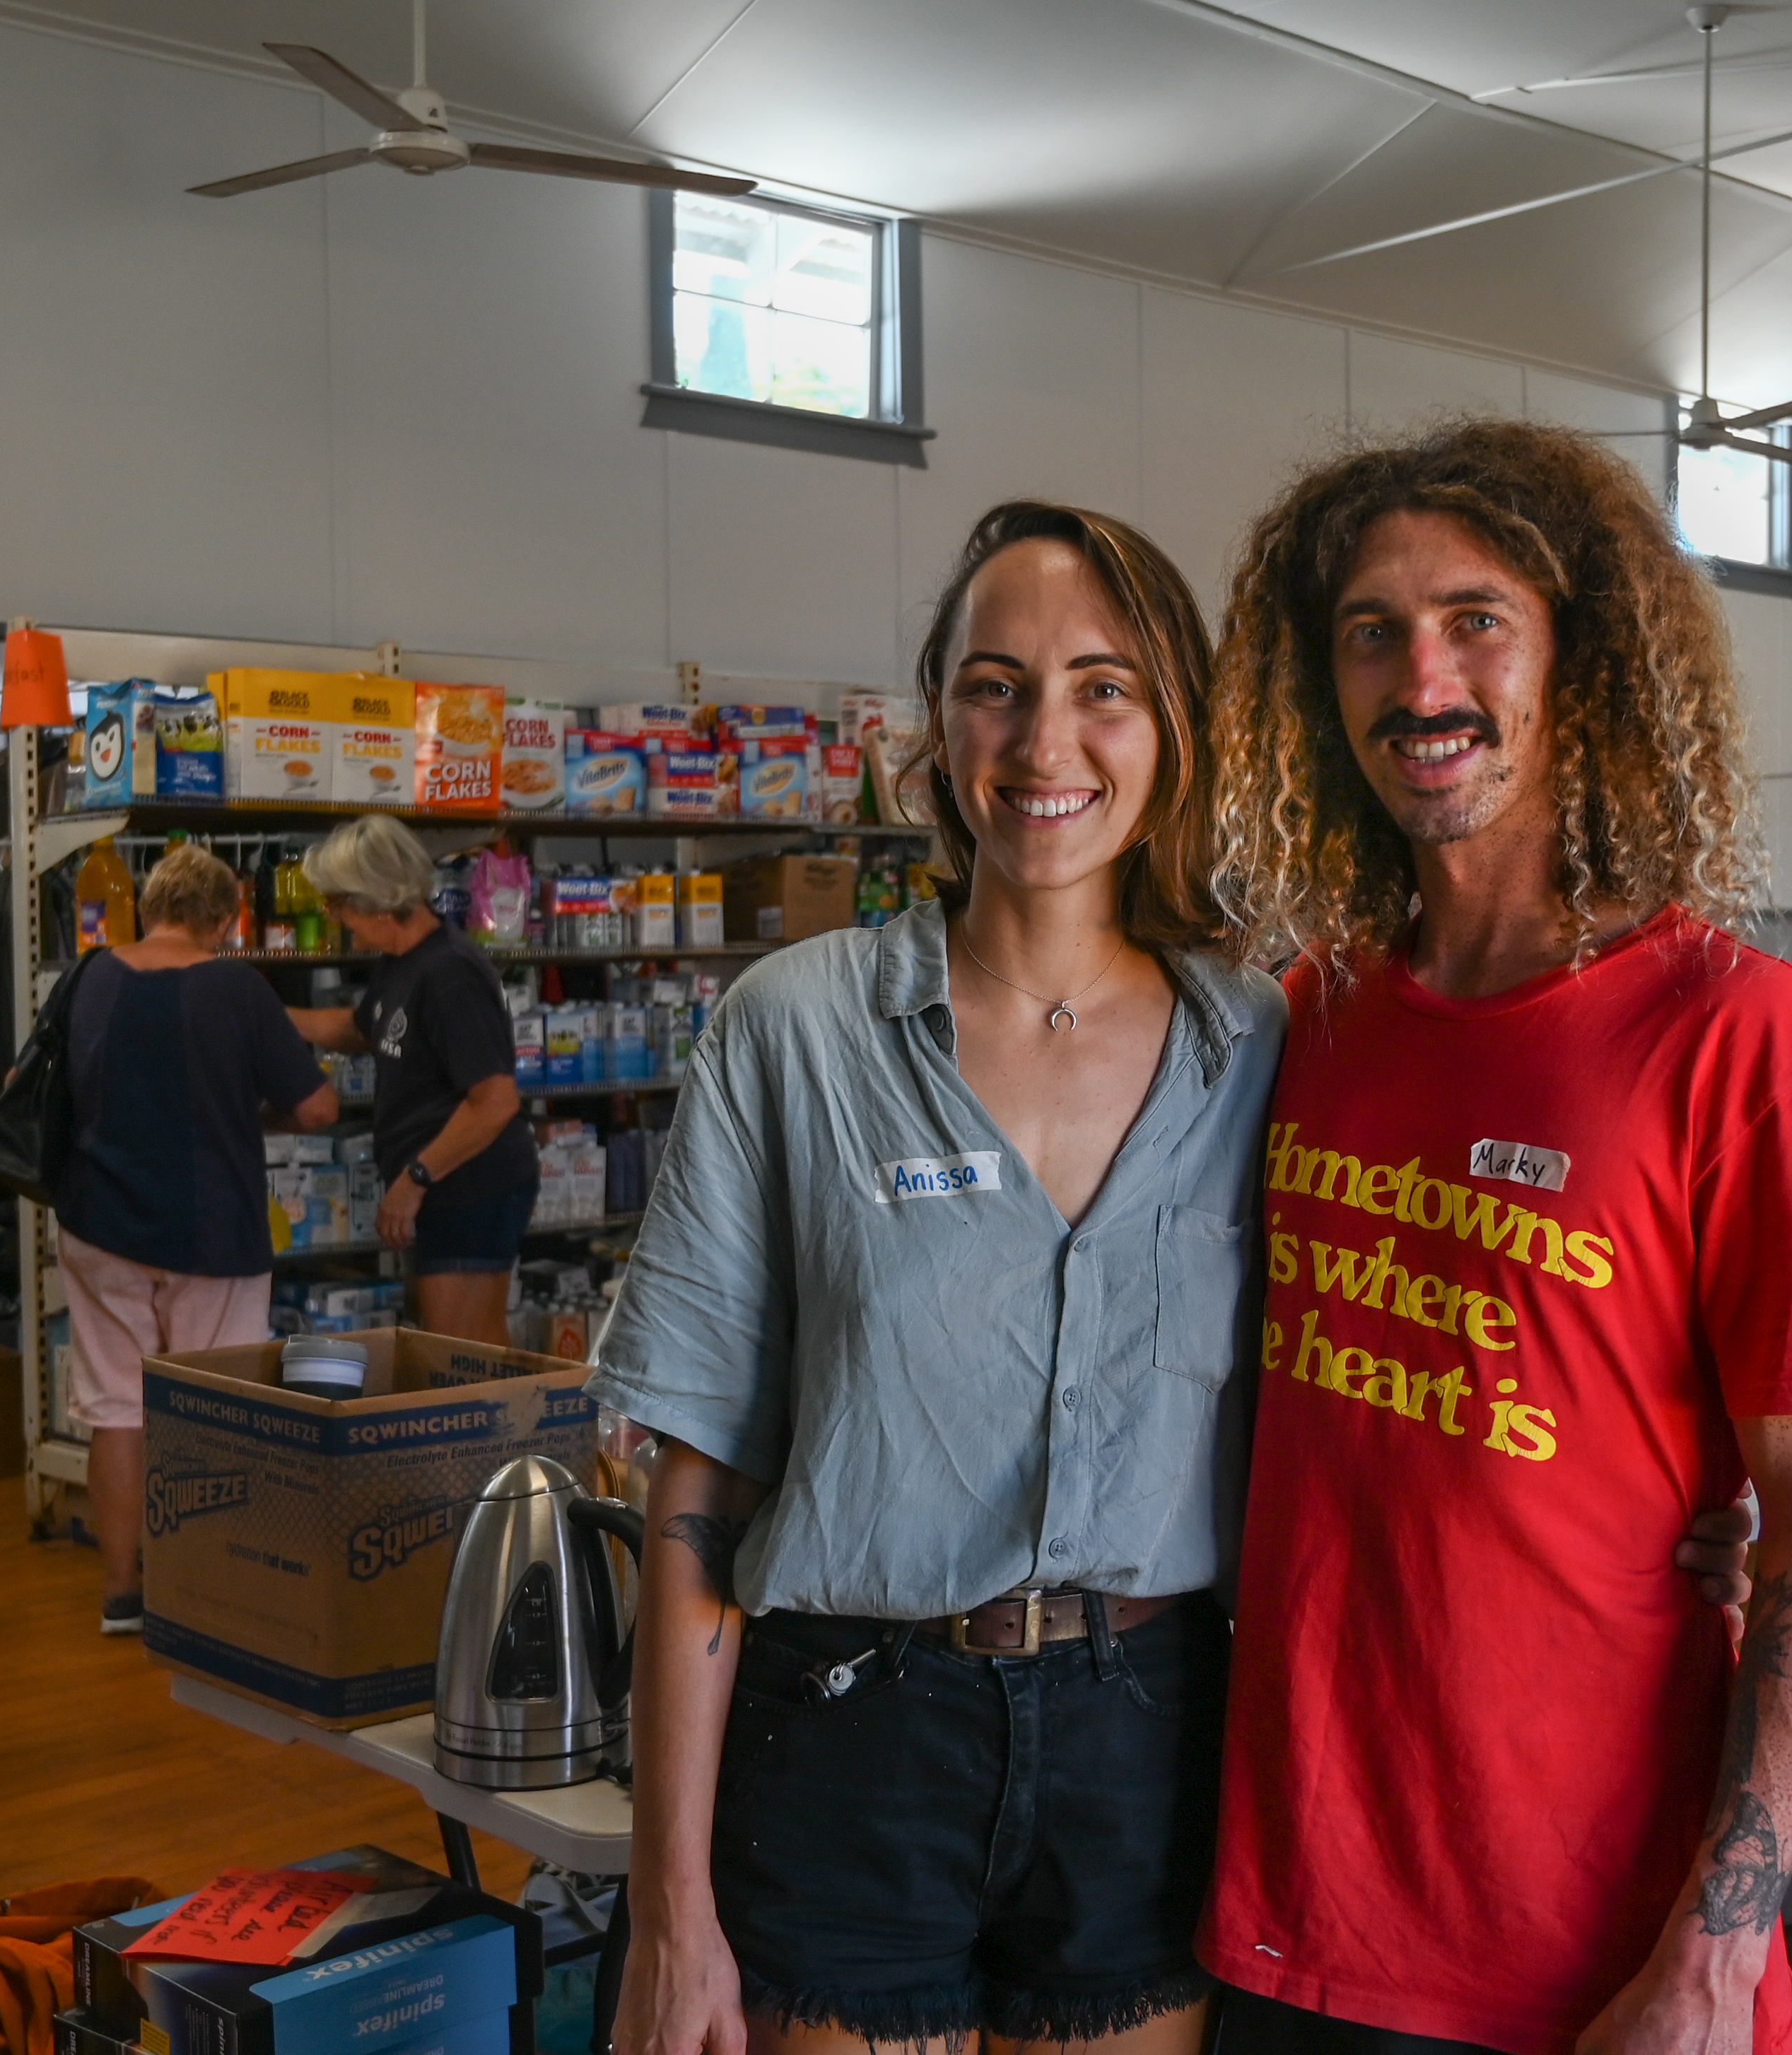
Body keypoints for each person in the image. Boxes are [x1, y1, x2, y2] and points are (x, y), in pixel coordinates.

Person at [1198, 419, 1792, 2055]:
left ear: (1577, 664)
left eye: (1475, 619)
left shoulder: (1736, 1033)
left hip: (1589, 1964)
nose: (1420, 676)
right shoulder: (1305, 1018)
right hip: (1283, 1921)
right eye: (1368, 632)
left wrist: (1713, 1959)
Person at [592, 502, 1278, 2054]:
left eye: (1104, 684)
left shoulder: (1261, 1051)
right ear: (935, 729)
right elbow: (701, 1484)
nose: (1047, 736)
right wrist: (667, 1910)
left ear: (1173, 724)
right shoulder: (796, 1031)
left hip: (1148, 1734)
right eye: (995, 682)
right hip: (850, 1731)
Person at [51, 841, 335, 1637]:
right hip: (211, 1228)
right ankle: (205, 1591)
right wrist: (248, 1109)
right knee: (212, 1409)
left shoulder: (87, 976)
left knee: (116, 1409)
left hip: (97, 1222)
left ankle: (120, 1595)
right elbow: (315, 1110)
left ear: (146, 907)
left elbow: (25, 1088)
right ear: (223, 918)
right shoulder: (236, 989)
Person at [286, 815, 533, 1345]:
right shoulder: (402, 961)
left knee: (463, 1355)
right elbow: (359, 1030)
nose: (337, 919)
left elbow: (494, 1101)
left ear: (375, 897)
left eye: (339, 904)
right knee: (453, 1349)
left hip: (470, 1185)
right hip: (443, 1186)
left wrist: (414, 1179)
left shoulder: (451, 974)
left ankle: (491, 1433)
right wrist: (266, 1013)